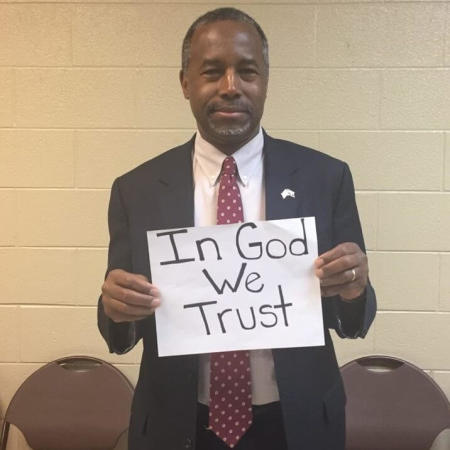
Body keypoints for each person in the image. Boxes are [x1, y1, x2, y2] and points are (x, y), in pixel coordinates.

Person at [98, 7, 376, 450]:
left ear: (265, 81)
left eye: (247, 72)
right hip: (179, 423)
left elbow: (354, 321)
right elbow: (118, 332)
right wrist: (115, 308)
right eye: (212, 72)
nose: (231, 87)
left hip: (296, 423)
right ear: (185, 82)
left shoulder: (326, 177)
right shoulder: (137, 189)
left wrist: (354, 289)